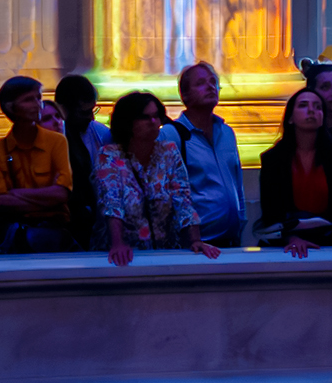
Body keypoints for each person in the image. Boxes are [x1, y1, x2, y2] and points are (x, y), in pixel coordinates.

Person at [91, 92, 221, 265]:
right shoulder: (109, 156)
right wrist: (118, 244)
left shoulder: (168, 151)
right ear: (128, 123)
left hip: (164, 255)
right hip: (122, 258)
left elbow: (183, 200)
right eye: (145, 118)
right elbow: (111, 203)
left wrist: (194, 240)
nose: (153, 122)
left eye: (155, 116)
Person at [258, 88, 332, 259]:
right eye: (303, 105)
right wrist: (291, 238)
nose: (311, 111)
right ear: (290, 118)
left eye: (317, 107)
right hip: (285, 244)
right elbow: (271, 212)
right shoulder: (273, 159)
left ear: (323, 117)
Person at [158, 62, 247, 248]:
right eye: (200, 83)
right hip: (194, 245)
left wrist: (241, 221)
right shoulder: (172, 135)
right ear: (185, 95)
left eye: (213, 82)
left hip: (230, 242)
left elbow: (237, 182)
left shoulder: (227, 133)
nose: (210, 87)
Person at [0, 76, 75, 253]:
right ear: (11, 107)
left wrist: (16, 193)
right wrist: (47, 200)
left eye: (38, 98)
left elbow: (62, 193)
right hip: (10, 231)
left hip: (53, 230)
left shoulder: (57, 142)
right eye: (28, 100)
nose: (36, 104)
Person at [55, 74, 112, 248]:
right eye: (84, 112)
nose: (91, 118)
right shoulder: (52, 136)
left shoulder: (99, 132)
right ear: (63, 109)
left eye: (93, 110)